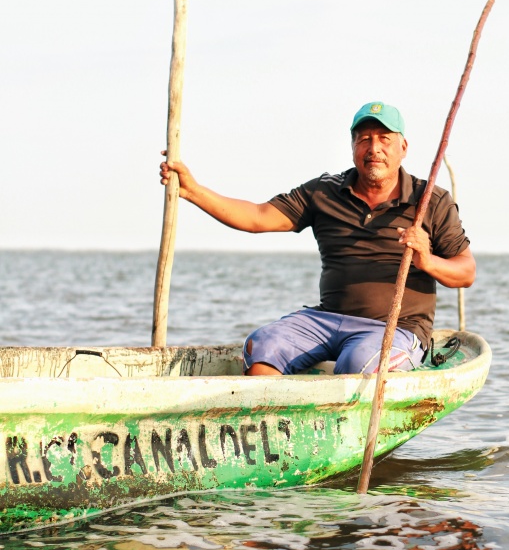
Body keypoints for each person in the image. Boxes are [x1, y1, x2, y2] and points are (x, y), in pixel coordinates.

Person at [160, 101, 475, 376]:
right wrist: (192, 191)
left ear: (402, 148)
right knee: (262, 346)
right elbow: (257, 217)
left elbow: (466, 272)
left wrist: (426, 260)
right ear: (353, 147)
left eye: (384, 139)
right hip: (326, 320)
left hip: (395, 331)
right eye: (364, 139)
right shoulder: (324, 191)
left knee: (360, 361)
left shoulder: (429, 200)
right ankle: (275, 433)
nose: (374, 148)